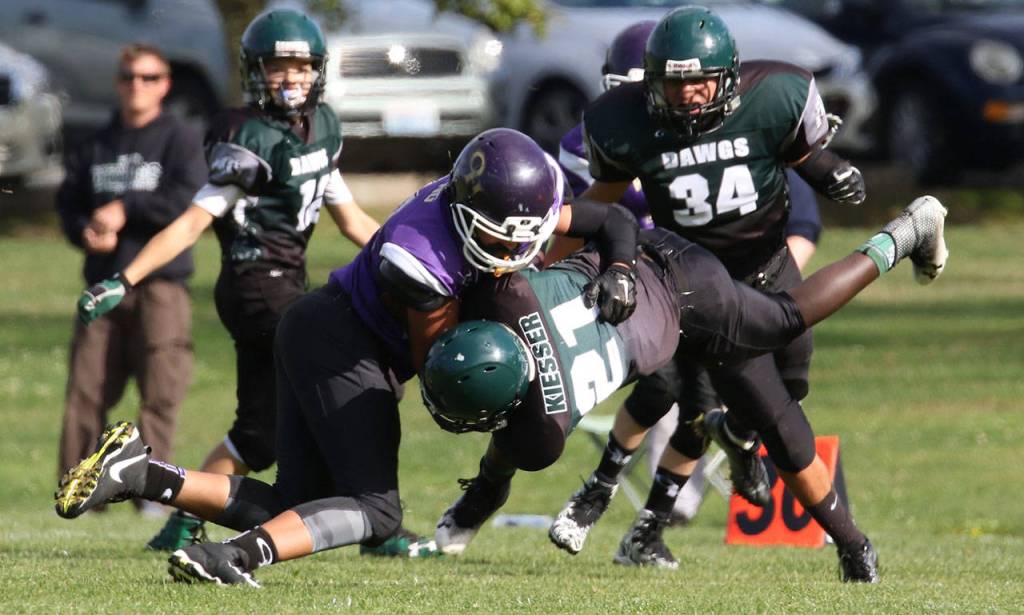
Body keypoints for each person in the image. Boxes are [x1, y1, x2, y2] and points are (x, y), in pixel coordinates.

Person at [55, 126, 642, 585]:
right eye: (497, 239)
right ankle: (230, 557)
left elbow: (613, 219)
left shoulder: (495, 207)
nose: (513, 250)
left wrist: (618, 270)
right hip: (343, 344)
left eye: (523, 235)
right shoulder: (420, 259)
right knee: (377, 512)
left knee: (295, 506)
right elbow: (440, 370)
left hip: (319, 328)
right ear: (468, 213)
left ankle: (140, 473)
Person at [427, 195, 947, 583]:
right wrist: (620, 266)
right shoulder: (502, 292)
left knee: (785, 335)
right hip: (655, 254)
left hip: (694, 299)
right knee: (718, 411)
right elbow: (613, 219)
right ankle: (847, 544)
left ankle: (904, 233)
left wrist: (491, 483)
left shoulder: (539, 434)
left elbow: (510, 440)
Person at [545, 5, 868, 569]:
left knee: (789, 388)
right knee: (760, 418)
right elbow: (599, 205)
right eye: (675, 84)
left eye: (700, 82)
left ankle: (736, 440)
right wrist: (546, 259)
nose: (690, 95)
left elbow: (805, 159)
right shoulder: (626, 126)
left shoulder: (774, 97)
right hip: (699, 290)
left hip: (770, 269)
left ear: (726, 79)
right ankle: (853, 548)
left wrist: (833, 170)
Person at [69, 9, 387, 552]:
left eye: (300, 67)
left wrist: (409, 256)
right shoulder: (248, 137)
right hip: (254, 285)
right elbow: (192, 222)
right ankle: (378, 516)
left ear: (318, 72)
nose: (290, 79)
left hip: (283, 282)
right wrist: (125, 278)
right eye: (277, 68)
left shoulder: (321, 127)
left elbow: (353, 219)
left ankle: (181, 515)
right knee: (348, 353)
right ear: (254, 73)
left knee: (257, 434)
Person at [55, 43, 207, 517]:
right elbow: (69, 203)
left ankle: (151, 492)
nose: (136, 86)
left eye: (148, 78)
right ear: (118, 83)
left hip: (160, 283)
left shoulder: (181, 138)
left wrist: (128, 208)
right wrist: (84, 230)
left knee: (161, 389)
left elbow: (188, 200)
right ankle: (80, 493)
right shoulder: (95, 143)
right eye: (128, 77)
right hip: (103, 285)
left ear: (164, 84)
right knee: (86, 391)